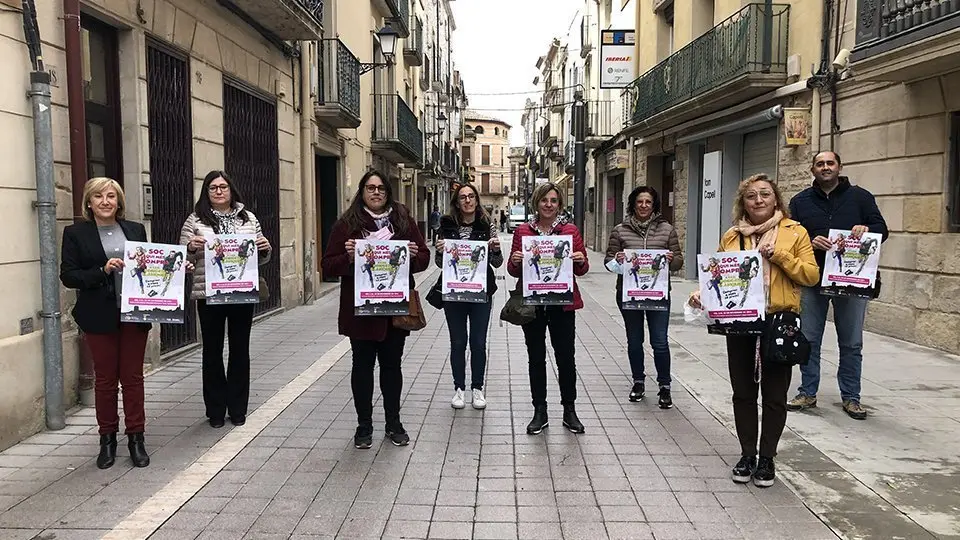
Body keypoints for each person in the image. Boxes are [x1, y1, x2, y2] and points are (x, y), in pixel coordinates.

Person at [689, 174, 819, 487]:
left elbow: (812, 276)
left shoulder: (795, 232)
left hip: (779, 321)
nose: (758, 200)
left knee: (775, 396)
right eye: (751, 196)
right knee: (743, 393)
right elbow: (720, 275)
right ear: (743, 203)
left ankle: (767, 458)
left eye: (764, 194)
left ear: (776, 199)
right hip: (740, 322)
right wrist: (701, 294)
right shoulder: (732, 236)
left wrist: (782, 256)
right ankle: (747, 453)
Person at [61, 178, 182, 469]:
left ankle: (136, 438)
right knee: (104, 381)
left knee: (133, 378)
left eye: (111, 196)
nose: (105, 201)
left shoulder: (135, 230)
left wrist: (175, 268)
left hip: (134, 315)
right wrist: (102, 270)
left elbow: (151, 265)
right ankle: (107, 440)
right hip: (98, 315)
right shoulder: (76, 233)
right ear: (89, 202)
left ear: (119, 201)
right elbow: (69, 275)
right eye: (99, 196)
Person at [321, 170, 430, 449]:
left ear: (387, 192)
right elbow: (328, 264)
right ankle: (364, 425)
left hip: (394, 312)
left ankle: (393, 423)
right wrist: (347, 256)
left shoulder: (402, 219)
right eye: (370, 187)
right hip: (361, 312)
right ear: (362, 191)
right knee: (362, 368)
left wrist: (416, 257)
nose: (376, 192)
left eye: (381, 188)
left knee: (392, 368)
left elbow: (424, 258)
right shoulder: (347, 224)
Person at [786, 151, 888, 420]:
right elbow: (790, 234)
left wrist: (867, 229)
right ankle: (807, 392)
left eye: (830, 163)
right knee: (808, 339)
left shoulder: (861, 197)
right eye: (820, 164)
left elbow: (882, 229)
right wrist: (810, 240)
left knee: (852, 342)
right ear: (813, 170)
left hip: (851, 281)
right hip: (813, 279)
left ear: (839, 167)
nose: (825, 167)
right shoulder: (799, 201)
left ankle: (851, 397)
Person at [181, 170, 272, 429]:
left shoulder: (249, 218)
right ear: (206, 192)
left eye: (223, 187)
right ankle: (216, 410)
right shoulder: (195, 219)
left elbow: (260, 255)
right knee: (212, 351)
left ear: (231, 190)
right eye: (213, 188)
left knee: (240, 350)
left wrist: (265, 249)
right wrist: (190, 248)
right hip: (209, 293)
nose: (219, 191)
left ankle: (238, 408)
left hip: (242, 292)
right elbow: (182, 260)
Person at [508, 182, 589, 435]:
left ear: (559, 204)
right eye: (544, 200)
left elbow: (582, 269)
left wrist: (580, 260)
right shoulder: (523, 231)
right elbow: (512, 271)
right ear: (537, 203)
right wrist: (515, 260)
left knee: (566, 358)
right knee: (536, 358)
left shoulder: (570, 231)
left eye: (553, 201)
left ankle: (569, 409)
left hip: (562, 304)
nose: (548, 205)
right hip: (532, 304)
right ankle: (539, 410)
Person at [603, 186, 683, 408]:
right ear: (633, 204)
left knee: (660, 342)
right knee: (634, 341)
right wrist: (618, 261)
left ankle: (664, 386)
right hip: (630, 294)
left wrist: (670, 259)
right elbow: (608, 263)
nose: (644, 206)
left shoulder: (667, 230)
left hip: (658, 295)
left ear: (654, 205)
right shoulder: (620, 230)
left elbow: (678, 262)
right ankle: (638, 382)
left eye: (648, 202)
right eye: (640, 202)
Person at [435, 183, 503, 410]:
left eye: (471, 196)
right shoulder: (445, 225)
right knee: (457, 342)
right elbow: (439, 264)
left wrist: (495, 249)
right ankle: (458, 389)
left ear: (476, 200)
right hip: (453, 292)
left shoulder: (487, 225)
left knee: (478, 342)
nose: (467, 201)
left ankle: (477, 388)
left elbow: (497, 263)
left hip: (481, 292)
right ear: (456, 201)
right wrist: (439, 251)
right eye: (463, 197)